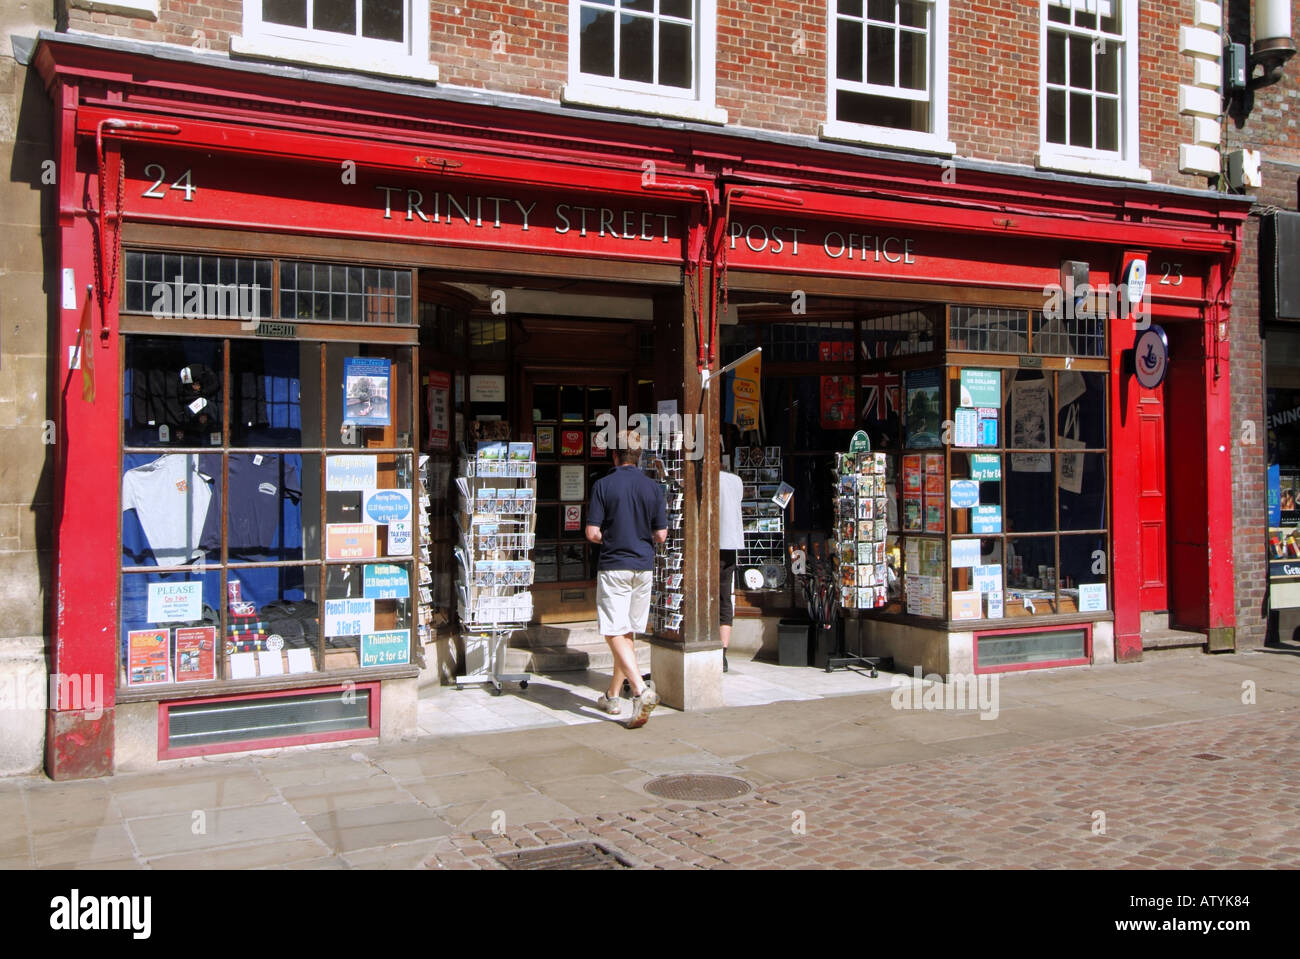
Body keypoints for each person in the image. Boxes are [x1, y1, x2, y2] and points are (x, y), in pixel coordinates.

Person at [585, 429, 666, 728]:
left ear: (614, 455)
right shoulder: (653, 488)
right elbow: (661, 534)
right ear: (640, 455)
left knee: (612, 631)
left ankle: (641, 691)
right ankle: (612, 696)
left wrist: (611, 535)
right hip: (644, 566)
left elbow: (592, 533)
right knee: (627, 633)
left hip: (614, 564)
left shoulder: (603, 485)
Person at [719, 460, 745, 673]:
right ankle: (723, 652)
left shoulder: (706, 480)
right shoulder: (736, 480)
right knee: (724, 596)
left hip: (711, 543)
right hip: (730, 544)